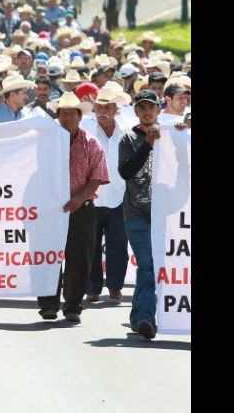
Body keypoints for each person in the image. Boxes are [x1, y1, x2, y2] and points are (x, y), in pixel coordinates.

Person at [38, 92, 110, 322]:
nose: (66, 117)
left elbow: (97, 177)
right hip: (50, 209)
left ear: (80, 116)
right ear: (57, 116)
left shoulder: (91, 143)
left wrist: (79, 199)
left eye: (71, 113)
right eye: (63, 113)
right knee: (48, 257)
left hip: (81, 207)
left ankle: (72, 305)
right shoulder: (45, 142)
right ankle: (48, 304)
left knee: (79, 257)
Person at [80, 83, 132, 303]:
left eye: (107, 107)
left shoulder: (128, 130)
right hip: (92, 196)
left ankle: (115, 286)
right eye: (99, 106)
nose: (101, 111)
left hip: (120, 196)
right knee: (90, 244)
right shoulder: (85, 127)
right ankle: (92, 287)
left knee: (119, 245)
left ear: (116, 110)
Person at [118, 89, 162, 339]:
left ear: (158, 110)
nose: (147, 112)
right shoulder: (128, 139)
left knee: (152, 266)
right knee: (147, 263)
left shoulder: (169, 136)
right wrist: (147, 145)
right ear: (136, 112)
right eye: (142, 108)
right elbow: (126, 172)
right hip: (136, 211)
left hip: (163, 212)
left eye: (151, 107)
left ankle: (137, 315)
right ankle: (147, 317)